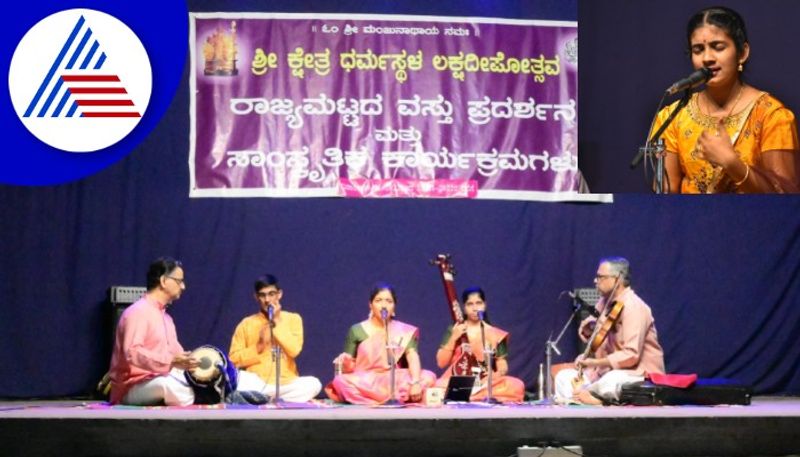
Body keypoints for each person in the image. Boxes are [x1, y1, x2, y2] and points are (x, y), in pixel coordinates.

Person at [654, 6, 798, 193]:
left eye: (718, 47)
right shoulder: (672, 117)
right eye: (698, 50)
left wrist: (731, 163)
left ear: (742, 53)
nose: (707, 58)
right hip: (690, 221)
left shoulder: (772, 115)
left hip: (754, 221)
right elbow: (665, 201)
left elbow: (785, 201)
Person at [109, 257, 271, 405]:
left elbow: (177, 354)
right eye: (179, 281)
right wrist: (171, 362)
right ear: (164, 281)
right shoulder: (138, 312)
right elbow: (132, 353)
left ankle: (229, 394)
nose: (183, 286)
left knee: (242, 378)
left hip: (160, 376)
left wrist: (198, 363)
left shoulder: (166, 319)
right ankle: (223, 398)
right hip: (132, 386)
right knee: (172, 386)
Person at [554, 257, 665, 405]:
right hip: (603, 373)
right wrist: (589, 331)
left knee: (611, 381)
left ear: (617, 279)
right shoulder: (604, 303)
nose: (595, 281)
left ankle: (595, 401)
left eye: (600, 277)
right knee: (563, 377)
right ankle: (586, 399)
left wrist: (594, 362)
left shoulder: (634, 307)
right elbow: (598, 339)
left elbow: (631, 355)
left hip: (637, 374)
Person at [325, 282, 437, 405]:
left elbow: (412, 357)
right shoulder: (356, 330)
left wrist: (415, 382)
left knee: (428, 376)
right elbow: (349, 365)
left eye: (389, 301)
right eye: (378, 300)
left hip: (393, 379)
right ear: (370, 305)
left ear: (394, 306)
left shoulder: (404, 331)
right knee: (340, 381)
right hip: (365, 381)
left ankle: (385, 398)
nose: (384, 305)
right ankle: (386, 401)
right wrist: (344, 362)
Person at [228, 274, 322, 403]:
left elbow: (294, 350)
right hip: (257, 382)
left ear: (279, 294)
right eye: (262, 295)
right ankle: (272, 399)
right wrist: (259, 346)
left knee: (314, 384)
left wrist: (277, 322)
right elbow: (233, 360)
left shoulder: (293, 319)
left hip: (286, 382)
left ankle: (261, 399)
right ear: (256, 297)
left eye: (271, 294)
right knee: (237, 379)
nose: (267, 300)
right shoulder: (246, 323)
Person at [434, 286, 525, 403]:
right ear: (464, 307)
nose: (475, 308)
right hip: (458, 380)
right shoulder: (455, 329)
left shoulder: (495, 333)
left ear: (485, 305)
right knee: (437, 385)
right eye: (470, 304)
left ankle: (468, 396)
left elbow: (501, 363)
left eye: (478, 303)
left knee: (516, 385)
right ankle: (474, 397)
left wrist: (495, 375)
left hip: (485, 382)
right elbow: (441, 363)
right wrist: (453, 338)